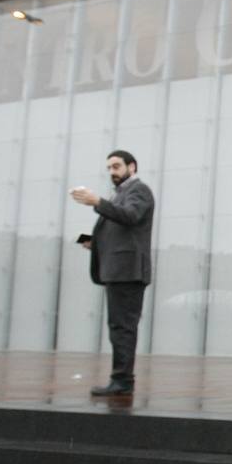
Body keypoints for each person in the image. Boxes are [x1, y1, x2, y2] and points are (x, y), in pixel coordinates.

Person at [71, 150, 155, 397]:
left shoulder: (139, 190)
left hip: (127, 272)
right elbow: (122, 228)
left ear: (132, 166)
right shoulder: (120, 194)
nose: (112, 172)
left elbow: (130, 216)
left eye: (116, 166)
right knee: (118, 327)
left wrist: (97, 201)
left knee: (122, 328)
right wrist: (94, 241)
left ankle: (122, 380)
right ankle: (121, 379)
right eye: (109, 168)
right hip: (119, 271)